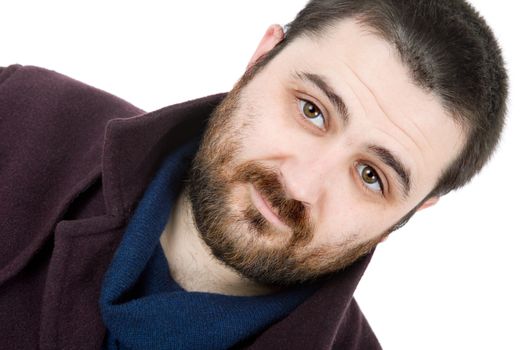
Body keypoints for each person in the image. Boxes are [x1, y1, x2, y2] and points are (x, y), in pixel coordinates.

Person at [0, 0, 507, 349]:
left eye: (371, 175)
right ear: (260, 58)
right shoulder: (18, 112)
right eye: (312, 111)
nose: (302, 185)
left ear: (414, 211)